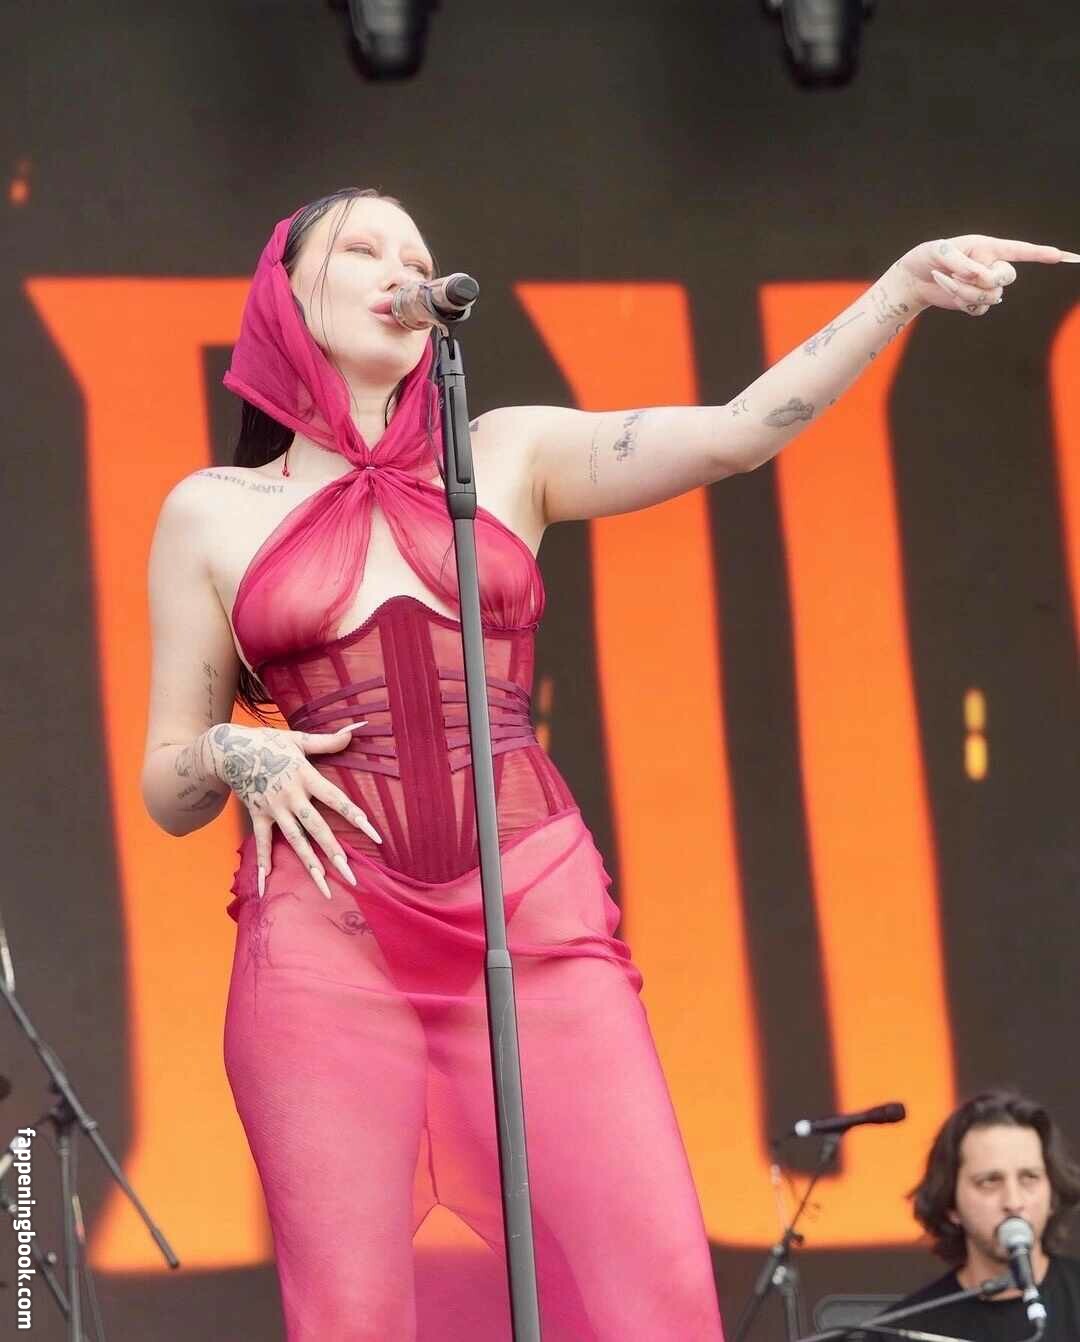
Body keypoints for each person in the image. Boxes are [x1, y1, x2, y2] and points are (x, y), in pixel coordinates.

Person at [139, 185, 1076, 1341]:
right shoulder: (214, 512)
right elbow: (165, 781)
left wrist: (902, 289)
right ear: (282, 297)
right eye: (363, 248)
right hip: (328, 943)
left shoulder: (506, 452)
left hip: (529, 911)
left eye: (416, 253)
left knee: (660, 1287)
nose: (401, 268)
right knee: (351, 1314)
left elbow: (735, 433)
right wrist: (234, 748)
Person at [893, 1090, 1080, 1340]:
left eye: (1029, 1178)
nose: (1013, 1202)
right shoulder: (907, 1331)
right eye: (990, 1181)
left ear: (1052, 1195)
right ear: (951, 1204)